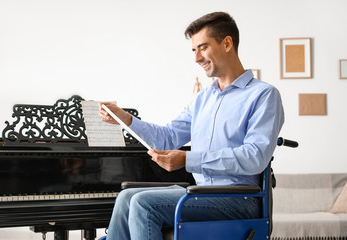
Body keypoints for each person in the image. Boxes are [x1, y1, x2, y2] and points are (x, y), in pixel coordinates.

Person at [99, 11, 284, 240]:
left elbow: (254, 157)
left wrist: (187, 160)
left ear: (227, 43)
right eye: (194, 50)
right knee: (126, 197)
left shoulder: (264, 95)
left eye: (203, 47)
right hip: (200, 194)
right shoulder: (202, 99)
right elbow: (167, 137)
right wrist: (126, 119)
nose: (197, 58)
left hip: (239, 199)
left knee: (143, 203)